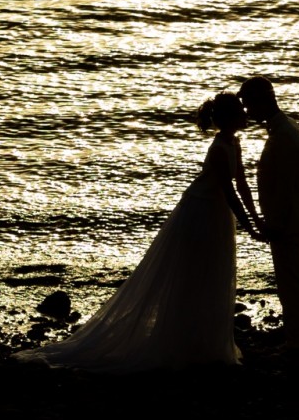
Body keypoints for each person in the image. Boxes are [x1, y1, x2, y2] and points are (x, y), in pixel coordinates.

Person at [18, 93, 262, 371]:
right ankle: (187, 342)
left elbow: (241, 183)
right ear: (229, 118)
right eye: (241, 112)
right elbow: (229, 192)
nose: (246, 115)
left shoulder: (234, 143)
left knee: (214, 273)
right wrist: (251, 228)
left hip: (218, 214)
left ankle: (203, 342)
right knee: (196, 274)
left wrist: (256, 219)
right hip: (202, 213)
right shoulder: (219, 148)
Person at [239, 75, 299, 350]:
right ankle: (298, 336)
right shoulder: (283, 129)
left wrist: (276, 223)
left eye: (249, 105)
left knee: (291, 281)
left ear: (262, 100)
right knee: (289, 279)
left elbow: (286, 185)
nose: (248, 112)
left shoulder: (285, 134)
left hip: (287, 219)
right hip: (285, 217)